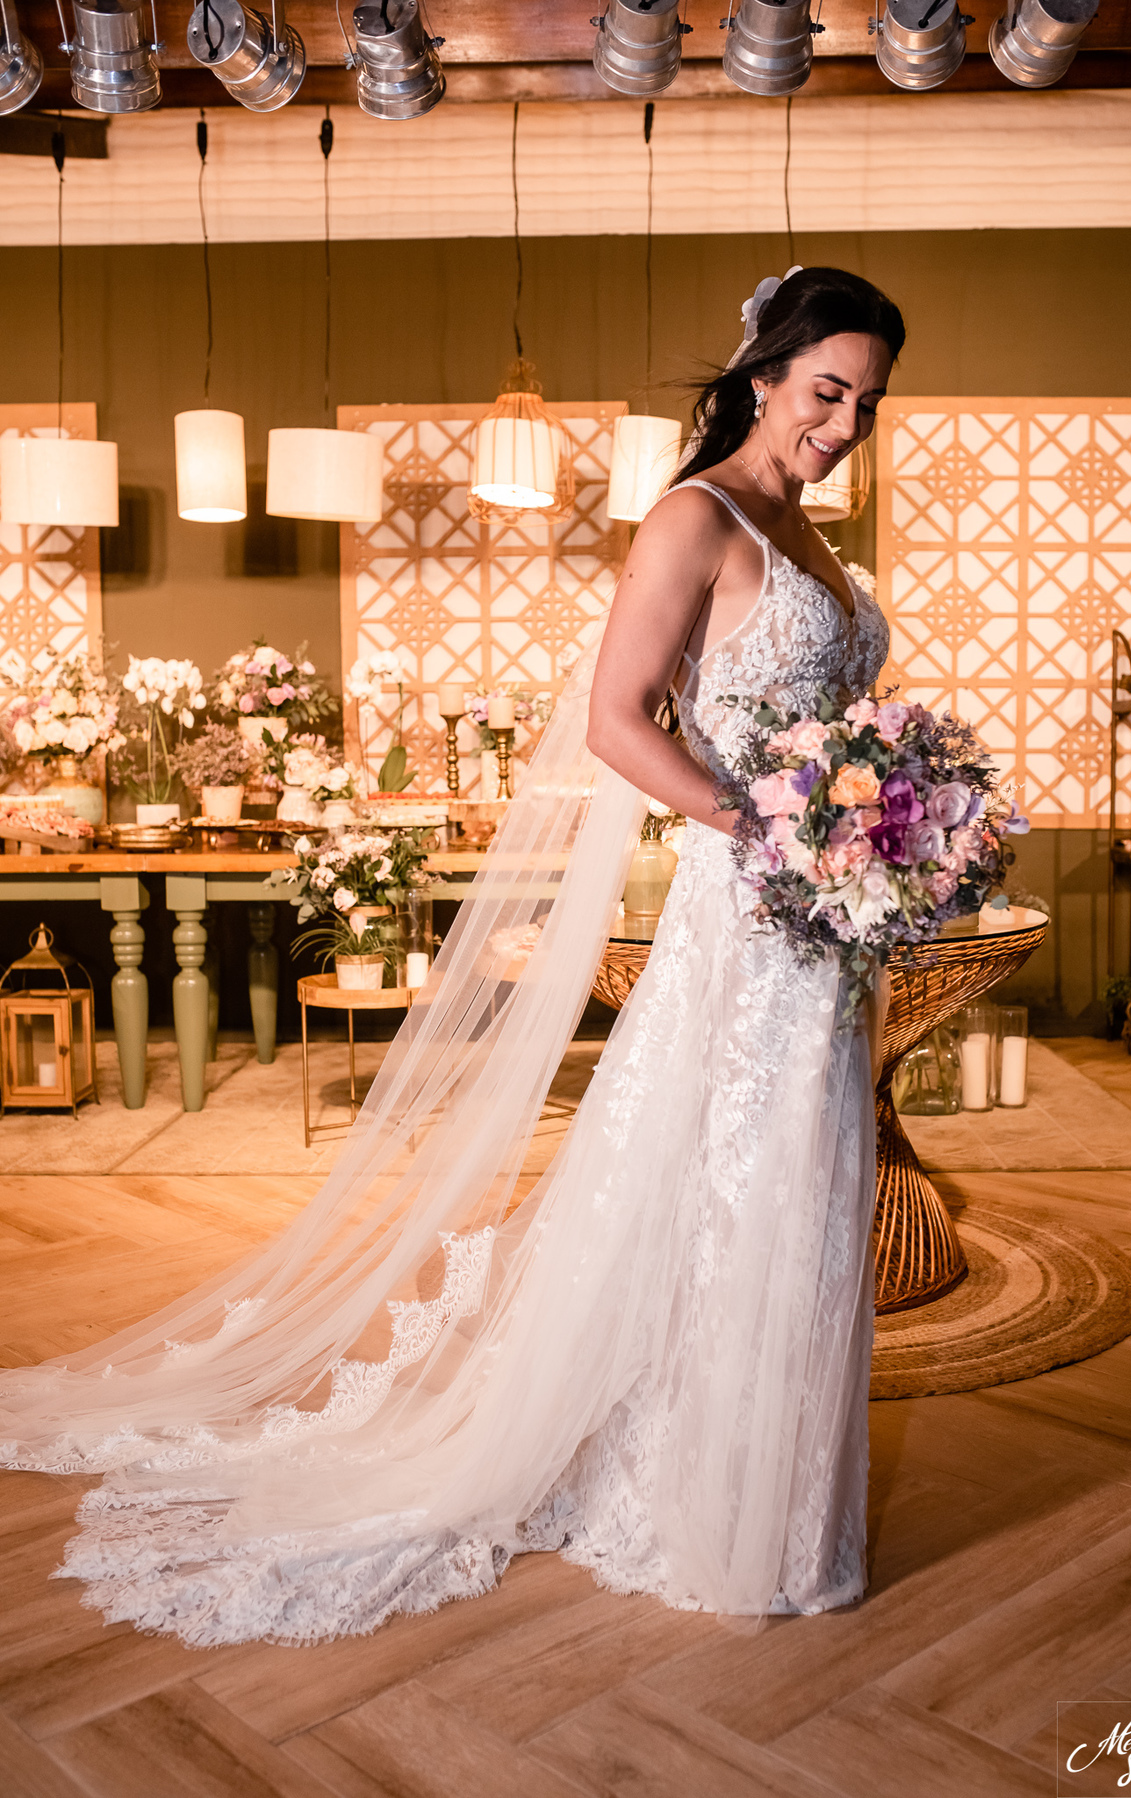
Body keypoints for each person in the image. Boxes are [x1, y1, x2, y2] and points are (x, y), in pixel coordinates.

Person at [0, 267, 904, 1647]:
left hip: (824, 926)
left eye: (868, 399)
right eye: (828, 388)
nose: (845, 420)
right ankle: (709, 1507)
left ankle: (780, 1505)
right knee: (738, 1184)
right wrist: (770, 828)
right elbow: (616, 721)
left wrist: (880, 817)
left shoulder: (809, 534)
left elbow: (819, 729)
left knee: (811, 1186)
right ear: (766, 372)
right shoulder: (696, 516)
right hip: (755, 906)